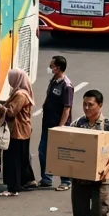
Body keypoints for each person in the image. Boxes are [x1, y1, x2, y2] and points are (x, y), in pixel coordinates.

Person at [0, 68, 37, 197]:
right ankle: (27, 180)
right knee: (22, 157)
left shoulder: (20, 95)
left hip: (17, 131)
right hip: (24, 130)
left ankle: (13, 187)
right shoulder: (21, 92)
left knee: (12, 159)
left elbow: (11, 112)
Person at [40, 55, 74, 191]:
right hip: (47, 122)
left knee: (62, 153)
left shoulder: (67, 85)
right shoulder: (54, 80)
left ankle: (66, 181)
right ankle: (47, 178)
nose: (49, 68)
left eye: (51, 66)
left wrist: (61, 127)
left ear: (57, 68)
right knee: (43, 151)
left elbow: (67, 108)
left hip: (59, 124)